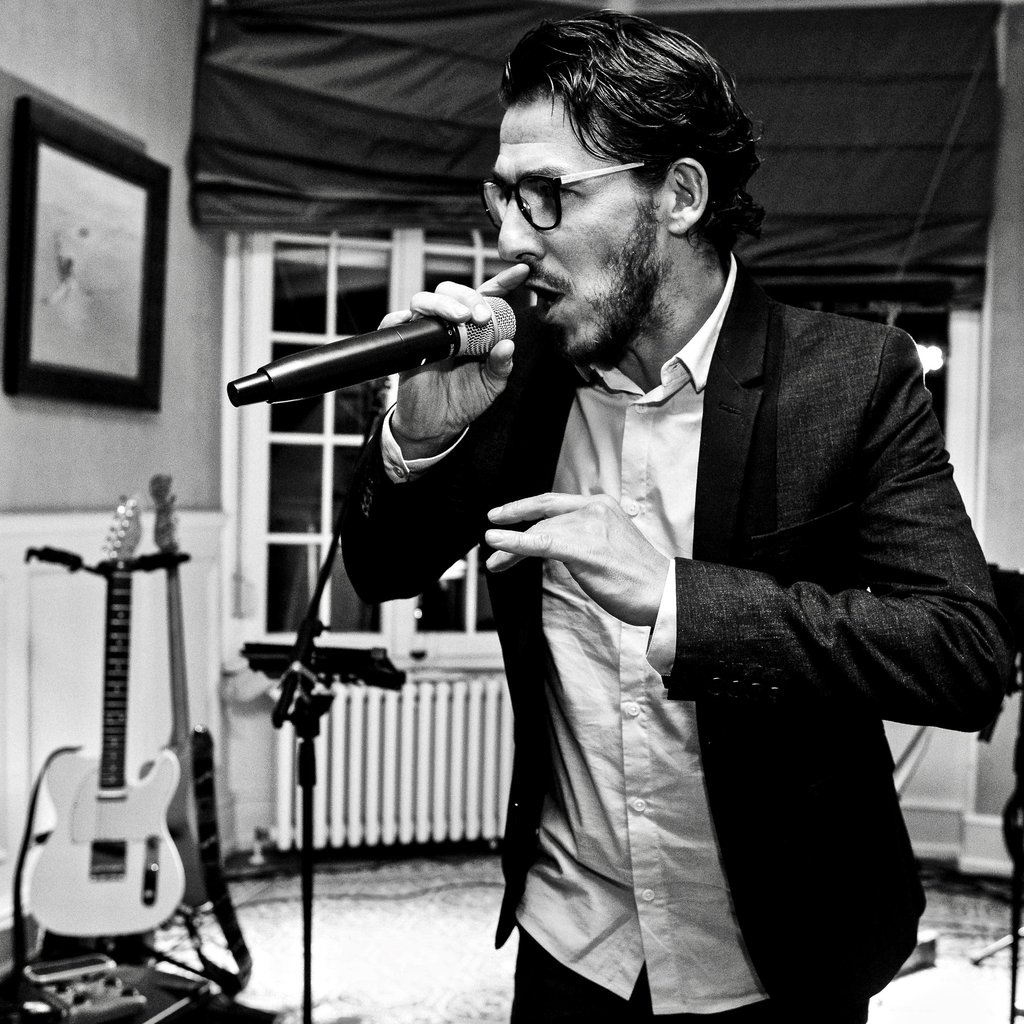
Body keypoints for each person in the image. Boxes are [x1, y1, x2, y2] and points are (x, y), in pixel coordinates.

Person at [341, 11, 1012, 1022]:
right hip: (571, 940)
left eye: (548, 194)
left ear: (681, 195)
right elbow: (383, 569)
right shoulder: (510, 372)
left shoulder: (850, 376)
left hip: (774, 956)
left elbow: (961, 652)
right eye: (502, 198)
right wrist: (421, 435)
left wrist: (677, 599)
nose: (510, 238)